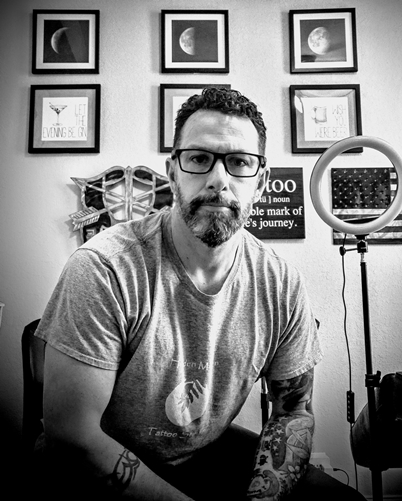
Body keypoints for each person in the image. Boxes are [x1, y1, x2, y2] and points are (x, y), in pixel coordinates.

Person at [33, 88, 366, 501]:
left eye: (239, 162)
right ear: (173, 172)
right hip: (90, 471)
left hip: (202, 455)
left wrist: (263, 499)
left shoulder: (281, 284)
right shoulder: (105, 267)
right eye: (198, 158)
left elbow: (293, 411)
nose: (218, 180)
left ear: (261, 182)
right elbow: (74, 437)